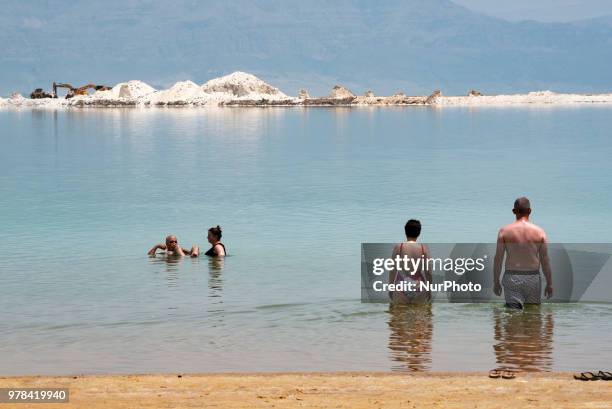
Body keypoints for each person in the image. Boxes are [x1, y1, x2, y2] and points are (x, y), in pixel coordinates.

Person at [493, 197, 553, 308]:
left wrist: (496, 281)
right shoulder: (540, 232)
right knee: (533, 316)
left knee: (513, 316)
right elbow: (545, 260)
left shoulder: (504, 231)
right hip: (533, 278)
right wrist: (549, 283)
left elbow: (498, 258)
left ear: (514, 211)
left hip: (512, 277)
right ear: (530, 211)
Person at [388, 219, 432, 304]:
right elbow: (428, 272)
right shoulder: (423, 249)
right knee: (420, 315)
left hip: (402, 285)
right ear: (419, 233)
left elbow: (393, 270)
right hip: (418, 286)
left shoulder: (399, 247)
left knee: (398, 316)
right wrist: (429, 289)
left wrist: (391, 287)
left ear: (405, 231)